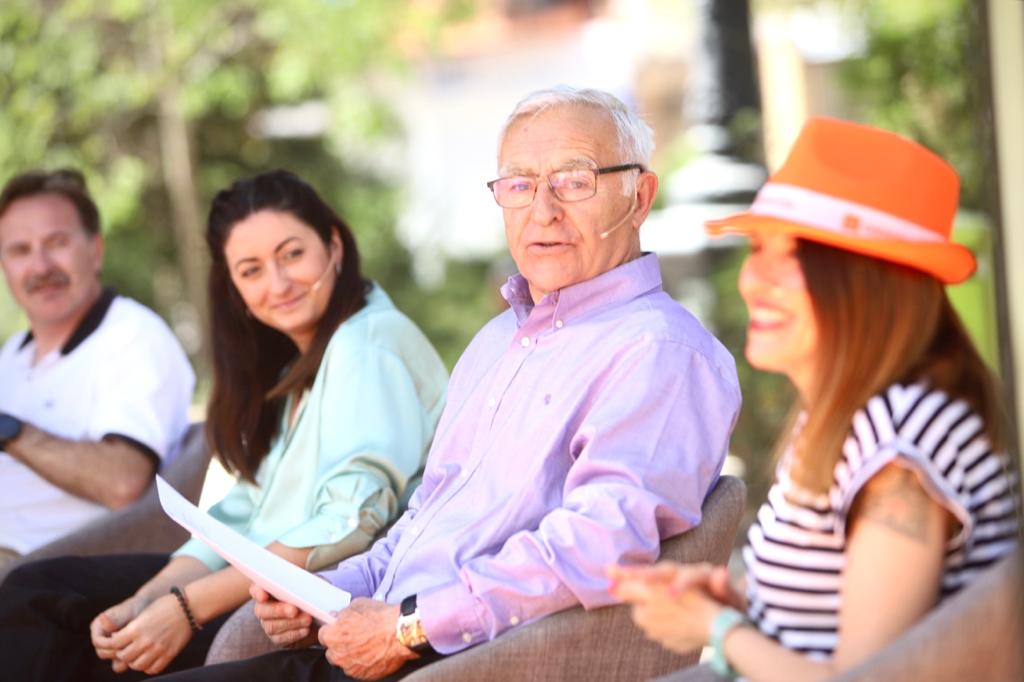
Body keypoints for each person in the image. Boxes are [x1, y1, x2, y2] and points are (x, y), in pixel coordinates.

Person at [148, 86, 743, 682]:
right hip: (386, 640)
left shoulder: (659, 351)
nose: (543, 211)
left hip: (459, 660)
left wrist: (408, 627)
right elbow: (422, 524)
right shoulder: (497, 344)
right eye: (519, 185)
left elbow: (596, 544)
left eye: (574, 179)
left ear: (638, 197)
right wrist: (325, 593)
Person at [608, 117, 1019, 681]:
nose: (754, 280)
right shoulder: (855, 414)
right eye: (758, 248)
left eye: (796, 256)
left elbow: (867, 677)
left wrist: (717, 630)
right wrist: (741, 606)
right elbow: (837, 626)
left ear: (869, 280)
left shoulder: (903, 436)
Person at [0, 169, 449, 680]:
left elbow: (349, 522)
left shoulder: (368, 343)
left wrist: (185, 608)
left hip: (304, 601)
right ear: (232, 285)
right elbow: (241, 516)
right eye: (251, 270)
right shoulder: (298, 366)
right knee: (42, 593)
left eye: (292, 255)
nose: (277, 284)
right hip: (250, 577)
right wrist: (150, 597)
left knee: (44, 612)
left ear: (335, 245)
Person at [0, 168, 194, 568]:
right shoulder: (15, 352)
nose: (39, 267)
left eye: (57, 242)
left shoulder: (132, 336)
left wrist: (10, 430)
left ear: (95, 250)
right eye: (19, 250)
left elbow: (122, 482)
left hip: (49, 572)